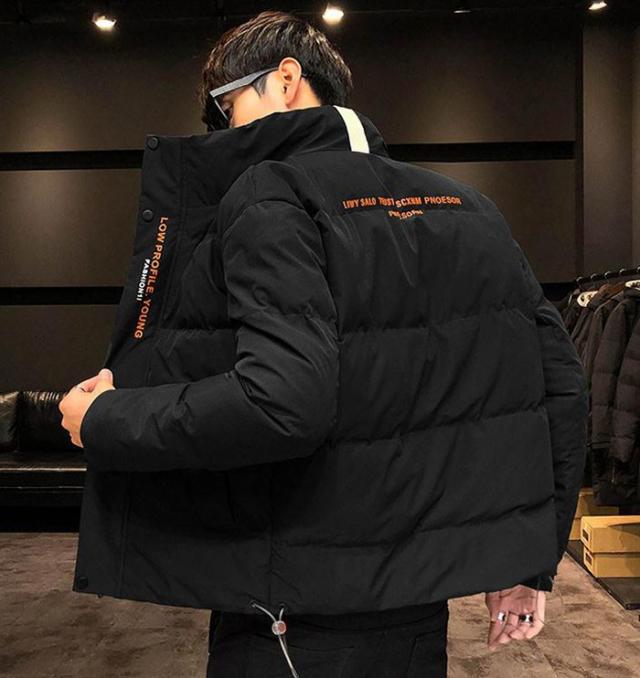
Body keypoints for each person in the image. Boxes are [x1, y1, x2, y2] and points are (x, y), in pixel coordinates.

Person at [59, 9, 589, 678]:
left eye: (225, 106)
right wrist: (526, 563)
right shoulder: (468, 206)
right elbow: (558, 390)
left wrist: (106, 419)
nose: (221, 130)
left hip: (290, 613)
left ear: (285, 80)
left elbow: (283, 403)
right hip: (415, 609)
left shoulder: (270, 194)